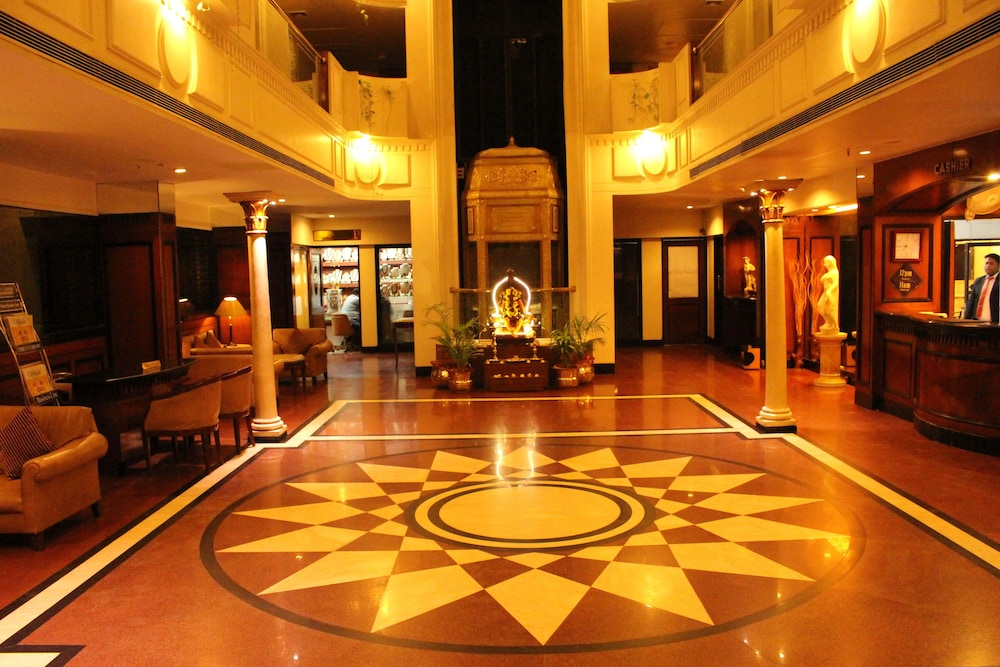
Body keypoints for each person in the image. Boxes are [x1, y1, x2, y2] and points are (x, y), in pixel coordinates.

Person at [963, 252, 1000, 323]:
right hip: (976, 322)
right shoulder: (979, 281)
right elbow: (971, 302)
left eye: (991, 264)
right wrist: (966, 320)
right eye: (986, 263)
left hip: (994, 323)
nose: (988, 266)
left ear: (998, 266)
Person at [817, 255, 839, 333]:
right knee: (820, 306)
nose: (824, 264)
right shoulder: (829, 273)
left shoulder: (834, 273)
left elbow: (836, 283)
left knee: (830, 309)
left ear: (831, 263)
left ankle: (834, 324)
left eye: (826, 262)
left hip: (830, 293)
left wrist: (829, 291)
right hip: (826, 292)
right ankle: (828, 322)